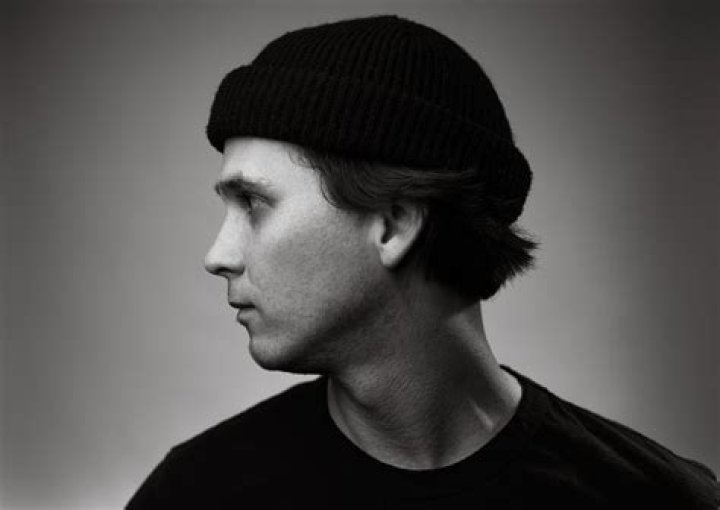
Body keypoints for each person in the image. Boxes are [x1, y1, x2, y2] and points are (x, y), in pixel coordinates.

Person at [127, 14, 719, 509]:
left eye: (254, 203)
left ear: (394, 224)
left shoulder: (659, 500)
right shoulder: (195, 495)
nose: (218, 256)